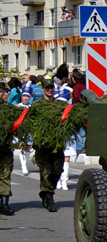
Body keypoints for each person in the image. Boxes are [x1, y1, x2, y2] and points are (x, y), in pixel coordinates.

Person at [32, 83, 65, 212]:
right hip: (42, 144)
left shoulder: (59, 105)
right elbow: (30, 121)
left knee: (57, 170)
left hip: (57, 144)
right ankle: (49, 196)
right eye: (47, 88)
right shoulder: (37, 106)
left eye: (51, 88)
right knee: (46, 170)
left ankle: (47, 191)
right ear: (42, 89)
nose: (50, 90)